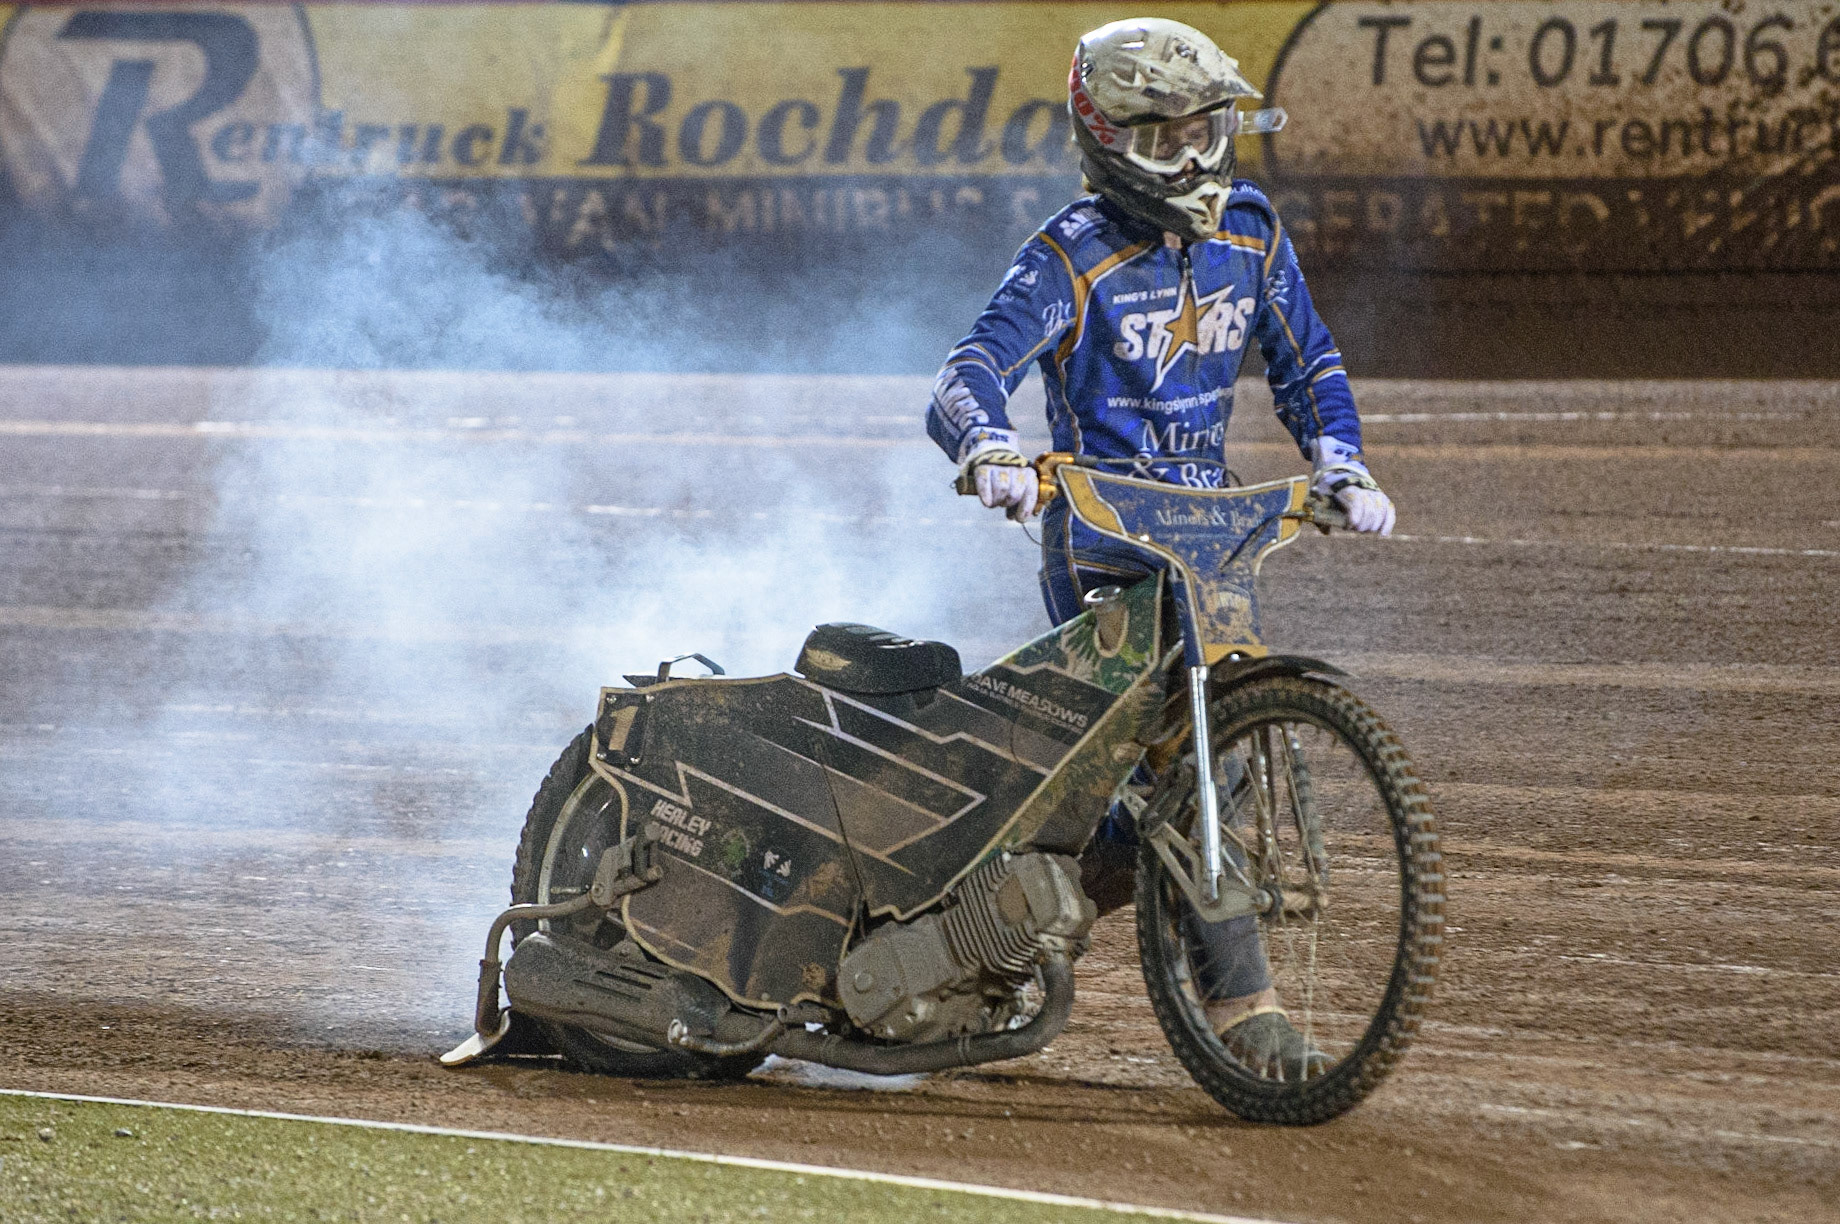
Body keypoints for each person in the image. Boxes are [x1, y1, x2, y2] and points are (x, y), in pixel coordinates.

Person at [925, 18, 1395, 1081]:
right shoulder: (1068, 256)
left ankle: (995, 932)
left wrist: (1341, 462)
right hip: (1100, 549)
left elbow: (1307, 361)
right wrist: (988, 447)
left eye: (1203, 129)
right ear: (1104, 137)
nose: (1189, 156)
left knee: (1171, 783)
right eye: (1159, 135)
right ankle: (1246, 1013)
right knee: (1175, 771)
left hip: (1212, 540)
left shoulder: (1253, 233)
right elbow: (968, 369)